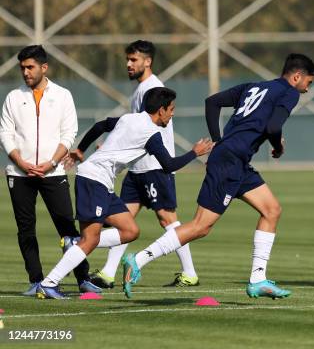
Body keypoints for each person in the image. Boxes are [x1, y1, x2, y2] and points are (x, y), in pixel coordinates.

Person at [121, 53, 314, 299]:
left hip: (236, 160)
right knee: (201, 226)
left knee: (272, 210)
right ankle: (138, 259)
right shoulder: (289, 92)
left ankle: (257, 279)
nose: (307, 89)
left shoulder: (254, 86)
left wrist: (217, 140)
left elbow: (212, 102)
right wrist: (277, 145)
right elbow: (273, 127)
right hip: (230, 162)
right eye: (308, 83)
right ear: (297, 77)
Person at [35, 87, 212, 298]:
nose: (172, 114)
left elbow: (101, 125)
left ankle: (75, 244)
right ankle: (49, 283)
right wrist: (195, 152)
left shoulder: (128, 118)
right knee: (90, 240)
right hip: (93, 179)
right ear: (161, 110)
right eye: (171, 109)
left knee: (130, 231)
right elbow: (169, 165)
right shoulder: (151, 134)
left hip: (102, 182)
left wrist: (82, 149)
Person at [88, 40, 200, 290]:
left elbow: (146, 129)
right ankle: (107, 273)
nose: (128, 64)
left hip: (153, 166)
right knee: (123, 220)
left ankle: (190, 272)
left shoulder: (154, 88)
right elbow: (131, 127)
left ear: (147, 62)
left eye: (134, 60)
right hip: (137, 166)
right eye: (127, 59)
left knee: (167, 218)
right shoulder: (140, 89)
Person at [0, 45, 100, 295]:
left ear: (44, 68)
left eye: (30, 67)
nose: (25, 72)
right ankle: (36, 281)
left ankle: (83, 278)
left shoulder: (63, 95)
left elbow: (69, 133)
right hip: (19, 173)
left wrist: (52, 162)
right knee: (25, 229)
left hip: (53, 173)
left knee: (67, 227)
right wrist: (20, 162)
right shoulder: (13, 97)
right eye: (22, 67)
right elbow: (5, 134)